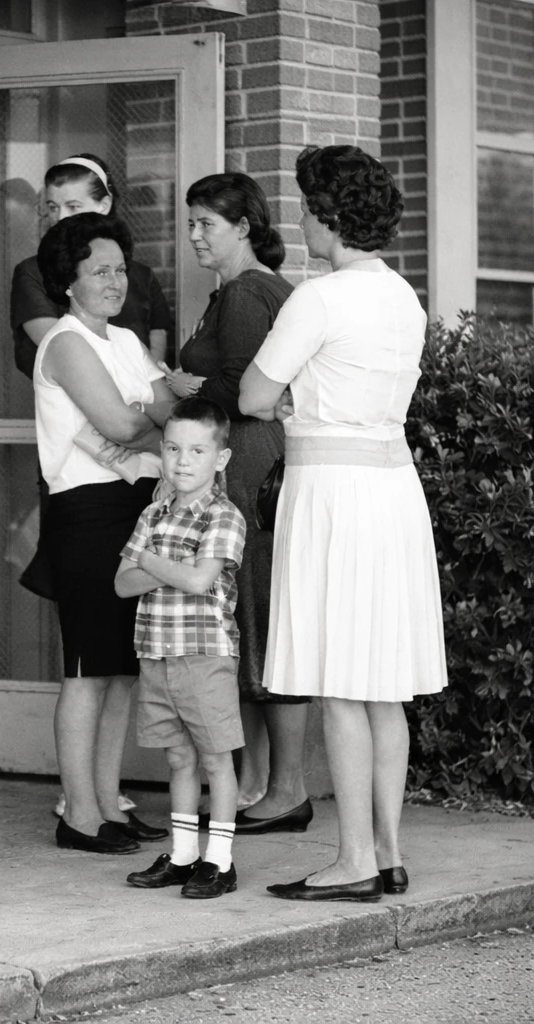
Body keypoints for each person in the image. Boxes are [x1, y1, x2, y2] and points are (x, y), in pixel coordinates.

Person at [239, 145, 447, 901]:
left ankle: (355, 858)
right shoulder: (401, 296)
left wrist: (293, 401)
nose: (299, 218)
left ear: (327, 216)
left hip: (332, 490)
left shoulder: (319, 297)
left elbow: (257, 396)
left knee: (341, 682)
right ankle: (386, 851)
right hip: (392, 489)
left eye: (304, 205)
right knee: (382, 685)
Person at [161, 173, 312, 833]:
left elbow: (245, 388)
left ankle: (286, 790)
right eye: (190, 223)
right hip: (251, 464)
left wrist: (186, 384)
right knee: (249, 620)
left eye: (206, 224)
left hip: (252, 468)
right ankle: (260, 785)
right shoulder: (245, 291)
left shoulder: (249, 293)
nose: (194, 236)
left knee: (259, 616)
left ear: (245, 225)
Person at [34, 212, 175, 854]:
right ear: (69, 280)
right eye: (99, 271)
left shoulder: (121, 340)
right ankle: (80, 816)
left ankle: (108, 804)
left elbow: (163, 410)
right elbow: (124, 424)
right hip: (87, 514)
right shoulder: (65, 342)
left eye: (120, 269)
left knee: (122, 669)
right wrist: (151, 412)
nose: (115, 281)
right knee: (88, 669)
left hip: (134, 506)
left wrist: (148, 412)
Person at [117, 397, 247, 898]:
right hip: (156, 650)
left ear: (221, 458)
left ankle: (220, 861)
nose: (182, 460)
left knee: (215, 758)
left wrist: (147, 562)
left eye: (196, 450)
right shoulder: (152, 512)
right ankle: (184, 854)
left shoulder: (223, 515)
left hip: (204, 652)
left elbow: (199, 581)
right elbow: (120, 585)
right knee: (178, 758)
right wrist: (157, 566)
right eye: (173, 448)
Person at [12, 153, 172, 376]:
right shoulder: (32, 272)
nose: (60, 217)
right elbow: (58, 347)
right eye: (52, 207)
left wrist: (148, 384)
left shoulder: (142, 274)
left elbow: (157, 336)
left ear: (104, 205)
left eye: (73, 206)